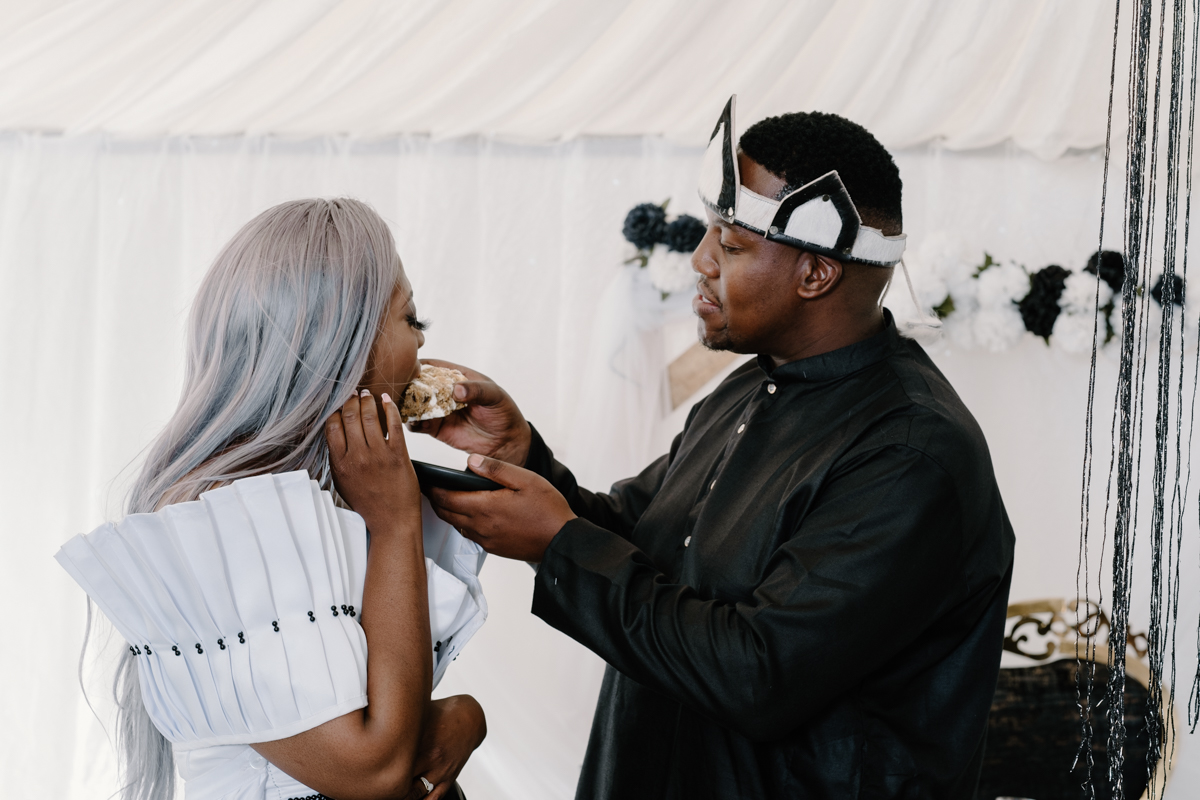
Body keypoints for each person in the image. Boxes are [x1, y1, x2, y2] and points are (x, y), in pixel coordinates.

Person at [415, 97, 1016, 799]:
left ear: (815, 274)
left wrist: (557, 545)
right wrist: (524, 458)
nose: (700, 260)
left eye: (729, 245)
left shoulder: (910, 453)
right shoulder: (750, 385)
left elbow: (757, 672)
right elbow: (645, 539)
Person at [55, 199, 487, 800]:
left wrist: (461, 715)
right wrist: (394, 527)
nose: (421, 345)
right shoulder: (219, 509)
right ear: (342, 341)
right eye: (411, 320)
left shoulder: (328, 498)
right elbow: (374, 771)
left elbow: (375, 709)